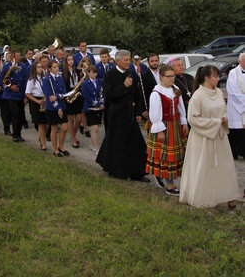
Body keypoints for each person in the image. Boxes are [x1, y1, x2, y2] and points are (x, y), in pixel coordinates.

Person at [180, 65, 240, 208]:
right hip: (203, 138)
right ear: (206, 78)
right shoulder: (198, 96)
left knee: (224, 167)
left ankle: (228, 195)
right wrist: (215, 122)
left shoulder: (219, 92)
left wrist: (224, 118)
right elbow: (193, 119)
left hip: (219, 137)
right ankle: (205, 197)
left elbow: (223, 108)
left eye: (218, 76)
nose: (218, 79)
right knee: (205, 167)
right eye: (215, 76)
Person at [96, 50, 149, 182]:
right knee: (117, 143)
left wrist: (138, 112)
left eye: (129, 60)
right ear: (118, 60)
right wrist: (123, 86)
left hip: (130, 113)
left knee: (136, 143)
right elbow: (109, 95)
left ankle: (137, 172)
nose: (128, 62)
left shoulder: (131, 73)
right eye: (125, 60)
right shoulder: (110, 75)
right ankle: (116, 170)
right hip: (117, 113)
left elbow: (137, 94)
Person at [145, 64, 188, 196]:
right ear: (161, 77)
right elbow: (154, 114)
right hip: (164, 126)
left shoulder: (175, 89)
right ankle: (169, 184)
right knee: (166, 155)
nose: (171, 79)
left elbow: (181, 108)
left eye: (173, 76)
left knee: (175, 155)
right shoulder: (156, 93)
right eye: (168, 76)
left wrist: (184, 123)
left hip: (175, 125)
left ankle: (165, 177)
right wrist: (159, 130)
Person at [42, 60, 69, 157]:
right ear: (49, 69)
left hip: (62, 105)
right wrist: (58, 108)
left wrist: (58, 96)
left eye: (57, 66)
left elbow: (64, 92)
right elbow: (49, 96)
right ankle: (55, 149)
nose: (57, 68)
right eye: (54, 67)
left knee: (64, 128)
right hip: (52, 107)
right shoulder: (46, 79)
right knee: (54, 129)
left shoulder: (60, 78)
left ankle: (61, 146)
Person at [225, 53, 245, 160]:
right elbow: (233, 90)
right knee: (237, 130)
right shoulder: (233, 73)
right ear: (240, 61)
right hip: (237, 106)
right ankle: (235, 152)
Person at [81, 65, 104, 155]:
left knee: (95, 128)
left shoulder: (100, 81)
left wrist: (102, 102)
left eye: (95, 73)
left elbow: (103, 92)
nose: (94, 74)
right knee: (94, 128)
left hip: (99, 108)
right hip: (90, 108)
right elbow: (86, 97)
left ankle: (92, 144)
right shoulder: (85, 84)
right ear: (88, 73)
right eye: (92, 73)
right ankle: (97, 148)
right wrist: (97, 104)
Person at [25, 61, 48, 150]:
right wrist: (37, 101)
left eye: (41, 67)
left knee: (47, 124)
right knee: (41, 124)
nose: (40, 69)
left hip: (45, 100)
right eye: (38, 67)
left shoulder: (45, 78)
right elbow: (28, 93)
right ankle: (43, 143)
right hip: (36, 101)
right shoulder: (31, 80)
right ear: (35, 69)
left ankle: (42, 137)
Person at [62, 54, 83, 148]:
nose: (71, 61)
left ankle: (72, 135)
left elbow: (81, 83)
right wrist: (68, 94)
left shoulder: (78, 71)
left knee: (79, 119)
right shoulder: (63, 73)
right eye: (69, 60)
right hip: (68, 96)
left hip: (77, 96)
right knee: (70, 119)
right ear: (66, 62)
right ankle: (73, 139)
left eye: (72, 59)